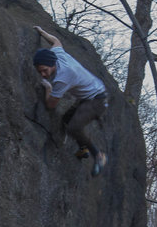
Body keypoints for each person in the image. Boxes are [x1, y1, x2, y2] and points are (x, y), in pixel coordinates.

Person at [32, 25, 108, 176]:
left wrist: (48, 89)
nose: (43, 74)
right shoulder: (57, 55)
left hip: (97, 100)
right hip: (89, 95)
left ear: (52, 65)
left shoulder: (63, 77)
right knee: (67, 119)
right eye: (39, 71)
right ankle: (83, 148)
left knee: (73, 127)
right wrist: (42, 32)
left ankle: (99, 155)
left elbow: (50, 105)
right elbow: (56, 41)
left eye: (44, 70)